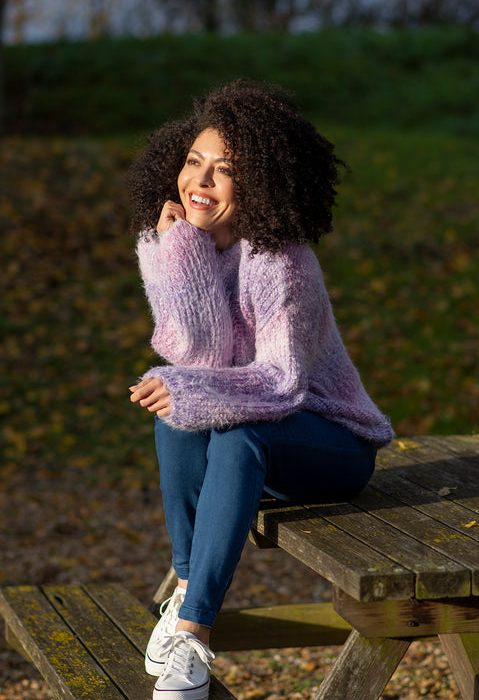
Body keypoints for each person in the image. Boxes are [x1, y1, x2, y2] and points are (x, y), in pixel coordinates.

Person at [128, 78, 394, 700]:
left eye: (225, 170)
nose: (201, 179)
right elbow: (204, 357)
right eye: (195, 162)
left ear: (262, 184)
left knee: (221, 416)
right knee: (178, 409)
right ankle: (190, 590)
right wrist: (180, 256)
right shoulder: (175, 244)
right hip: (255, 442)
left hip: (330, 442)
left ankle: (193, 628)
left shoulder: (283, 262)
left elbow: (280, 385)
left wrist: (188, 389)